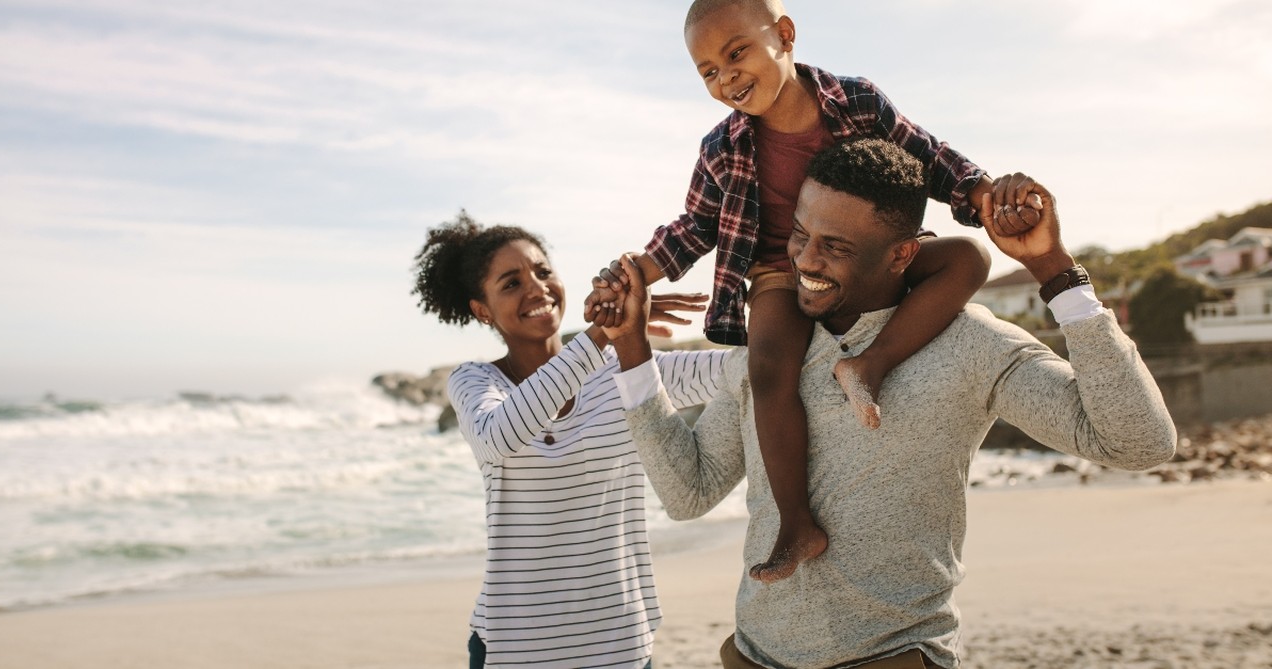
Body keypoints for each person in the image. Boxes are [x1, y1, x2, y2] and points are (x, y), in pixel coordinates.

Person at [600, 138, 1177, 669]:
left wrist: (1053, 269)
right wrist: (632, 349)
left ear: (902, 254)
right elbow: (688, 492)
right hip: (756, 655)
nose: (805, 261)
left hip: (895, 658)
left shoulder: (968, 343)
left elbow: (1139, 442)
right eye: (800, 235)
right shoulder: (771, 352)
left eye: (836, 247)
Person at [585, 0, 1040, 583]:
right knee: (769, 365)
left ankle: (869, 365)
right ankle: (797, 525)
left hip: (870, 260)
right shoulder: (721, 148)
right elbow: (696, 226)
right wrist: (634, 271)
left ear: (784, 34)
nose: (725, 78)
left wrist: (984, 196)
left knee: (968, 258)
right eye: (706, 71)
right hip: (781, 269)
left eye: (736, 53)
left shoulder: (857, 102)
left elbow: (929, 157)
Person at [410, 214, 728, 669]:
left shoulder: (628, 368)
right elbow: (498, 436)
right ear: (482, 309)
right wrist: (603, 332)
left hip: (620, 644)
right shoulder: (476, 381)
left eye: (543, 272)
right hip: (514, 647)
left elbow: (740, 373)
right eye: (511, 283)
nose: (536, 288)